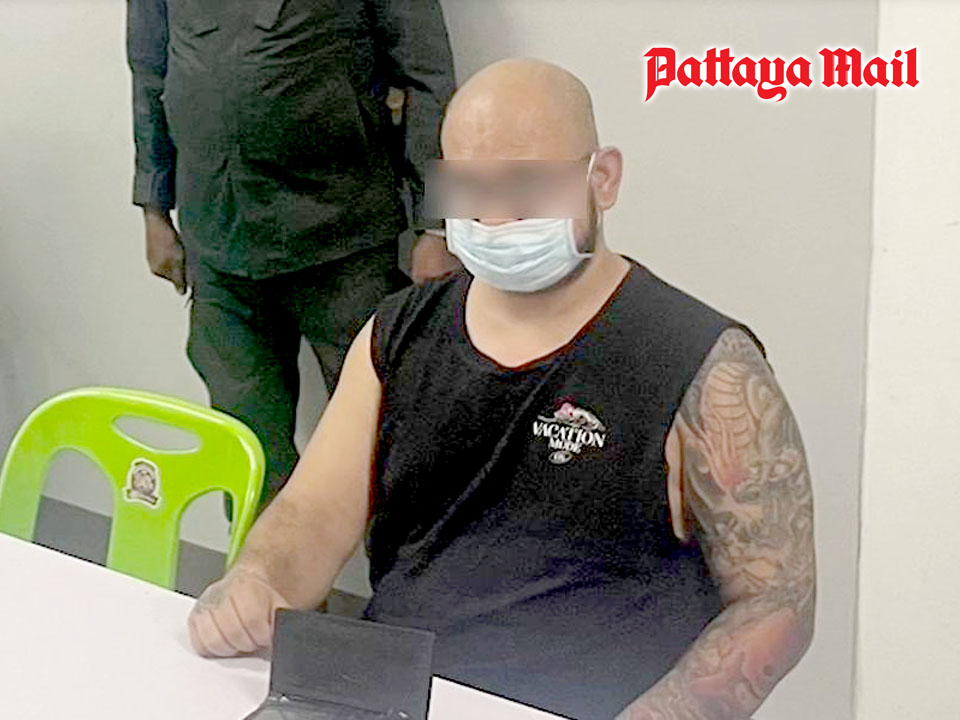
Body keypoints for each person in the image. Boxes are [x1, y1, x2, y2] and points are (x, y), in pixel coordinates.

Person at [186, 58, 817, 720]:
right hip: (395, 697)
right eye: (469, 189)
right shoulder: (399, 335)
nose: (494, 219)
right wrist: (257, 578)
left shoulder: (703, 365)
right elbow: (313, 514)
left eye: (525, 186)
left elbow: (775, 603)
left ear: (602, 179)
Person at [126, 0, 459, 509]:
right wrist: (154, 208)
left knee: (385, 445)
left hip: (346, 239)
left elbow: (428, 77)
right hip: (218, 241)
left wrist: (437, 226)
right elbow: (150, 71)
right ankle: (259, 565)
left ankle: (400, 565)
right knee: (244, 455)